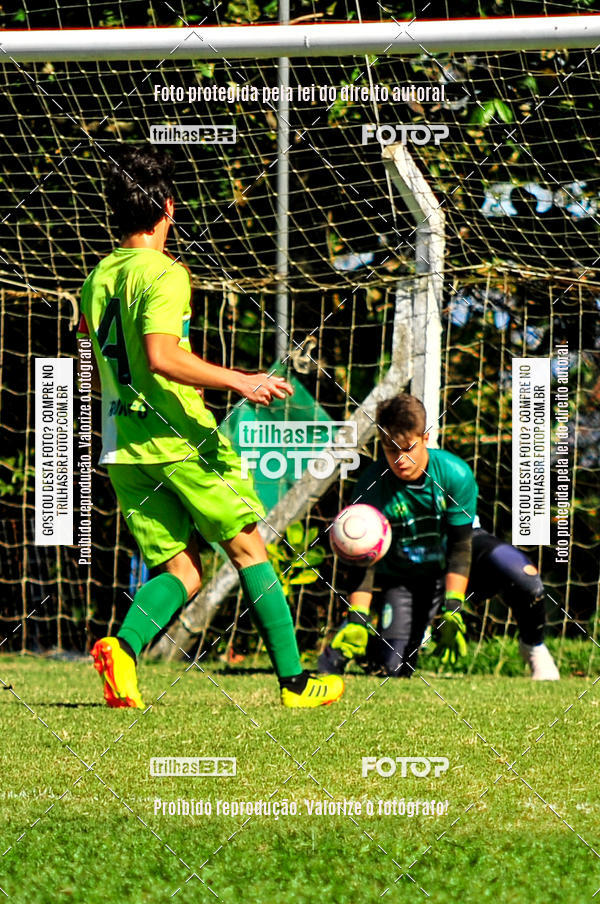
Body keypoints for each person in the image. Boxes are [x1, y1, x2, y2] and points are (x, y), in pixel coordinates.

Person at [78, 143, 343, 709]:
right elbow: (159, 356)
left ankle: (122, 651)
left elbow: (89, 336)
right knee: (250, 549)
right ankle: (297, 684)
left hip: (122, 445)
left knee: (182, 570)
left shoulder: (97, 276)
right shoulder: (166, 273)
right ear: (168, 208)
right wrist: (241, 381)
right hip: (179, 440)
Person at [318, 393, 559, 681]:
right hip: (408, 574)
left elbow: (461, 545)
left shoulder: (454, 474)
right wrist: (358, 616)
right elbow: (364, 557)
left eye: (408, 448)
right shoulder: (371, 483)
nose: (400, 460)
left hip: (460, 554)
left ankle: (533, 648)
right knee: (390, 669)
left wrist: (453, 607)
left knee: (525, 578)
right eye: (390, 450)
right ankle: (369, 646)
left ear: (426, 438)